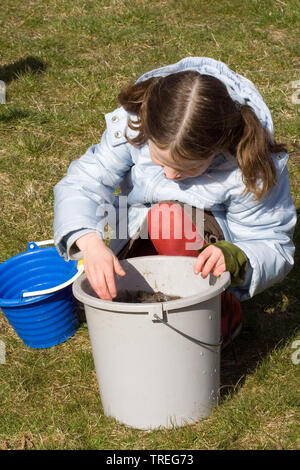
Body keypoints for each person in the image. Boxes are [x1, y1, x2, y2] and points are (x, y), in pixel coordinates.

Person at [53, 57, 296, 346]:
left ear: (220, 146)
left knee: (169, 220)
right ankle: (141, 304)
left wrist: (235, 257)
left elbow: (273, 243)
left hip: (203, 250)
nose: (170, 175)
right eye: (159, 160)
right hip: (138, 230)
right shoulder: (137, 124)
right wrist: (90, 243)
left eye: (187, 169)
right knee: (144, 245)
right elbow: (84, 182)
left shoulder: (250, 163)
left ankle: (219, 312)